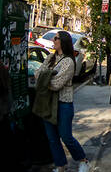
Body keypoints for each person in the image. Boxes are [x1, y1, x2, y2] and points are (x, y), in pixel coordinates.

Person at [36, 31, 91, 172]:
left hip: (63, 104)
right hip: (48, 102)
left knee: (66, 137)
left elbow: (57, 83)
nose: (53, 41)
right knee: (52, 138)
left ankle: (83, 160)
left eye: (56, 38)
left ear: (63, 42)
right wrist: (47, 77)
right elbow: (37, 74)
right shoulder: (50, 57)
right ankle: (60, 165)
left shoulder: (68, 61)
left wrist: (45, 78)